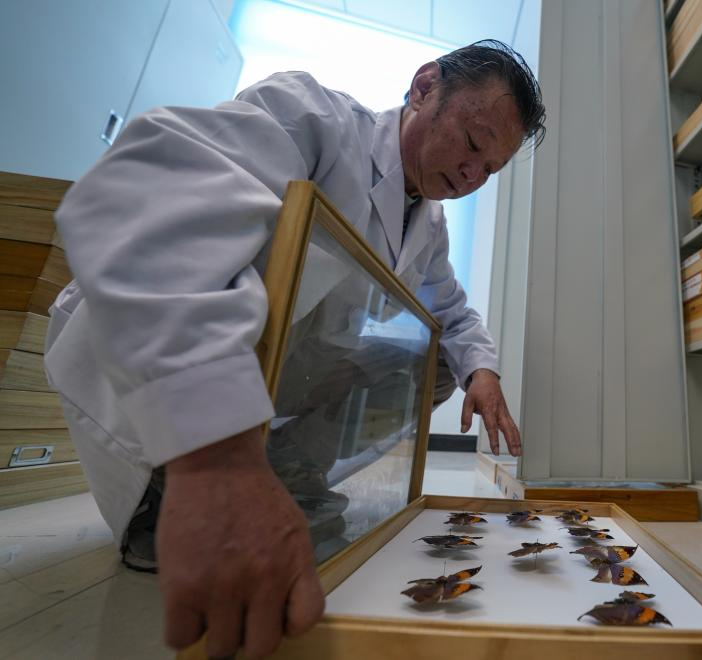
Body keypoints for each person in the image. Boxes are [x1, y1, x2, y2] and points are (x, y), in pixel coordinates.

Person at [43, 39, 545, 658]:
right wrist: (219, 461)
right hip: (150, 358)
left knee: (440, 361)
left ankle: (287, 476)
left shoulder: (430, 226)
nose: (472, 176)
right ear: (424, 88)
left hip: (282, 370)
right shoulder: (311, 118)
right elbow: (143, 206)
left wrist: (483, 372)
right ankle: (172, 487)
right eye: (471, 143)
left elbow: (455, 313)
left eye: (490, 170)